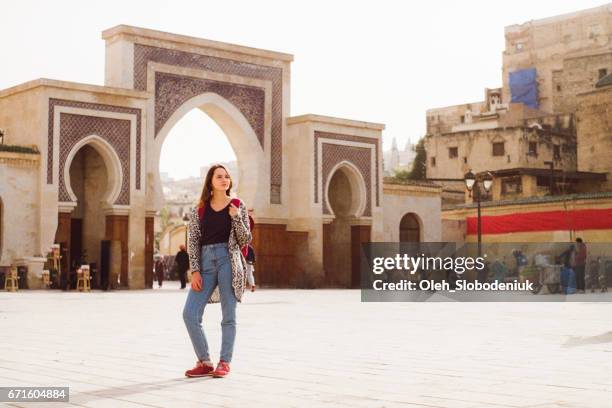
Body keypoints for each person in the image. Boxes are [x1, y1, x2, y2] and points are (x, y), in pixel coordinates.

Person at [182, 164, 252, 379]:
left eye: (227, 176)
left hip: (228, 261)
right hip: (205, 263)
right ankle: (204, 361)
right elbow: (192, 241)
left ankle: (225, 362)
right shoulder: (199, 209)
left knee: (228, 315)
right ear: (210, 182)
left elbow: (246, 239)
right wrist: (195, 270)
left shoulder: (238, 206)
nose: (224, 180)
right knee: (190, 314)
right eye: (219, 177)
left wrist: (236, 217)